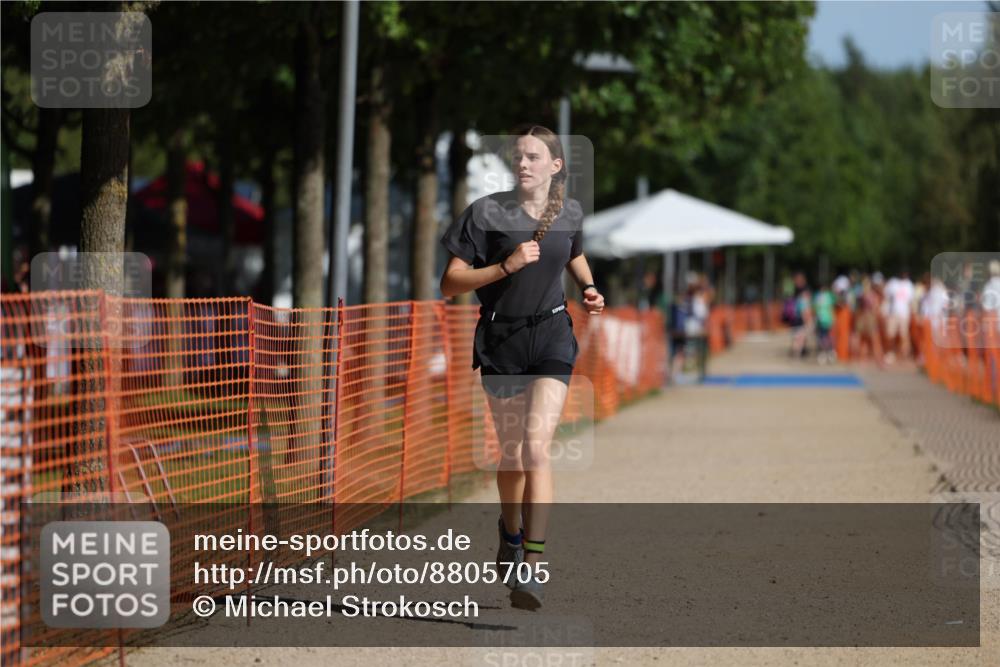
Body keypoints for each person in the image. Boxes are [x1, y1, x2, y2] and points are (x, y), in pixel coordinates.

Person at [439, 125, 604, 610]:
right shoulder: (486, 213)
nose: (523, 163)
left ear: (555, 166)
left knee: (536, 447)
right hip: (501, 340)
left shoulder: (569, 211)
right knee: (511, 455)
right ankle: (508, 532)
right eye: (519, 156)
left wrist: (589, 288)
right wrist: (504, 268)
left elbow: (573, 252)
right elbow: (450, 283)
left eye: (533, 157)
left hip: (552, 334)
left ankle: (532, 566)